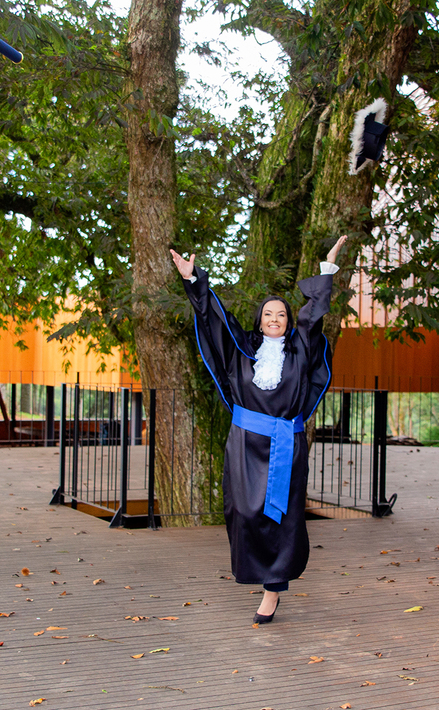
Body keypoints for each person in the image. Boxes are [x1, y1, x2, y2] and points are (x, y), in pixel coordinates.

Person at [170, 236, 347, 624]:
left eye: (281, 314)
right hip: (245, 444)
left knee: (283, 518)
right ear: (259, 320)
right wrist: (193, 279)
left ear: (287, 322)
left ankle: (273, 589)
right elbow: (214, 320)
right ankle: (258, 574)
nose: (274, 319)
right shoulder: (242, 351)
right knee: (245, 513)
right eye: (268, 313)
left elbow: (314, 317)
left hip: (285, 443)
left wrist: (327, 269)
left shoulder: (299, 352)